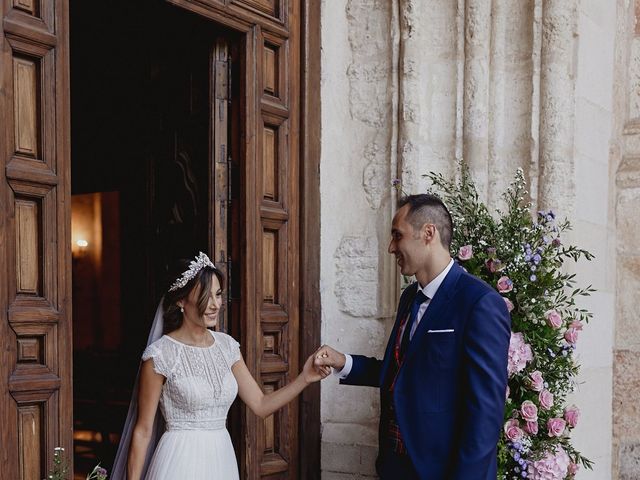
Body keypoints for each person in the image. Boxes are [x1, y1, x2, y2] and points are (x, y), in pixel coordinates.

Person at [315, 194, 511, 480]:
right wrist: (343, 362)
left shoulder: (479, 302)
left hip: (443, 471)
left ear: (428, 233)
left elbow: (486, 413)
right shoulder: (410, 298)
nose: (391, 247)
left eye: (398, 235)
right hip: (395, 467)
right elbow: (401, 372)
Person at [112, 252, 330, 479]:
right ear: (180, 300)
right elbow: (143, 431)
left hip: (221, 458)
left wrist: (305, 377)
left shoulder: (227, 347)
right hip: (179, 461)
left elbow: (261, 404)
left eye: (218, 295)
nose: (216, 305)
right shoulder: (160, 355)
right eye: (206, 296)